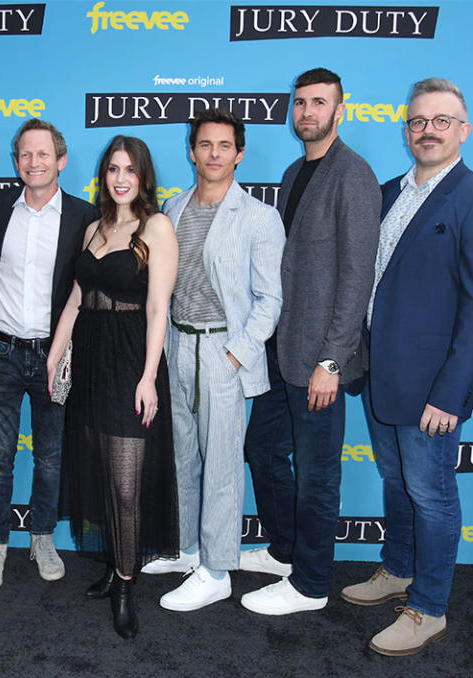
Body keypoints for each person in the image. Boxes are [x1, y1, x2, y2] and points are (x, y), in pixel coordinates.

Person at [343, 77, 473, 656]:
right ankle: (398, 569)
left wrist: (451, 392)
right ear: (406, 129)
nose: (428, 130)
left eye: (441, 120)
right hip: (380, 375)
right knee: (397, 483)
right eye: (418, 121)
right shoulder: (390, 192)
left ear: (464, 129)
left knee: (433, 494)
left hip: (432, 389)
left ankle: (429, 607)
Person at [241, 68, 381, 615]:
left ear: (339, 111)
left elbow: (356, 276)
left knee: (318, 474)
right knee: (262, 449)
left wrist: (333, 359)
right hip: (282, 351)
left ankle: (311, 584)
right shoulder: (294, 170)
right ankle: (285, 550)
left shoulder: (354, 175)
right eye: (300, 103)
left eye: (319, 103)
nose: (307, 113)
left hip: (321, 357)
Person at [142, 109, 284, 614]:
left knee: (222, 465)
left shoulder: (260, 217)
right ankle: (189, 549)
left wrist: (236, 354)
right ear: (192, 150)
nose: (214, 154)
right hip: (177, 346)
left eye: (225, 145)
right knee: (183, 457)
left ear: (239, 153)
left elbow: (270, 300)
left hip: (223, 351)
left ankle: (219, 570)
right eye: (205, 144)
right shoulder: (174, 208)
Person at [49, 136, 179, 638]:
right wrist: (55, 356)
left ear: (143, 176)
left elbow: (157, 309)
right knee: (103, 473)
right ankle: (112, 564)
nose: (120, 178)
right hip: (91, 360)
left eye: (129, 169)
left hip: (130, 361)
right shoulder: (92, 229)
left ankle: (126, 585)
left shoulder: (157, 227)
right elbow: (76, 302)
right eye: (111, 169)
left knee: (127, 486)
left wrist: (148, 377)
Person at [0, 119, 99, 590]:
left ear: (61, 161)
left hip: (56, 355)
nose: (33, 162)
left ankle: (42, 536)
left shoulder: (84, 218)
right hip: (0, 352)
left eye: (43, 154)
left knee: (50, 455)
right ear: (16, 162)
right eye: (25, 155)